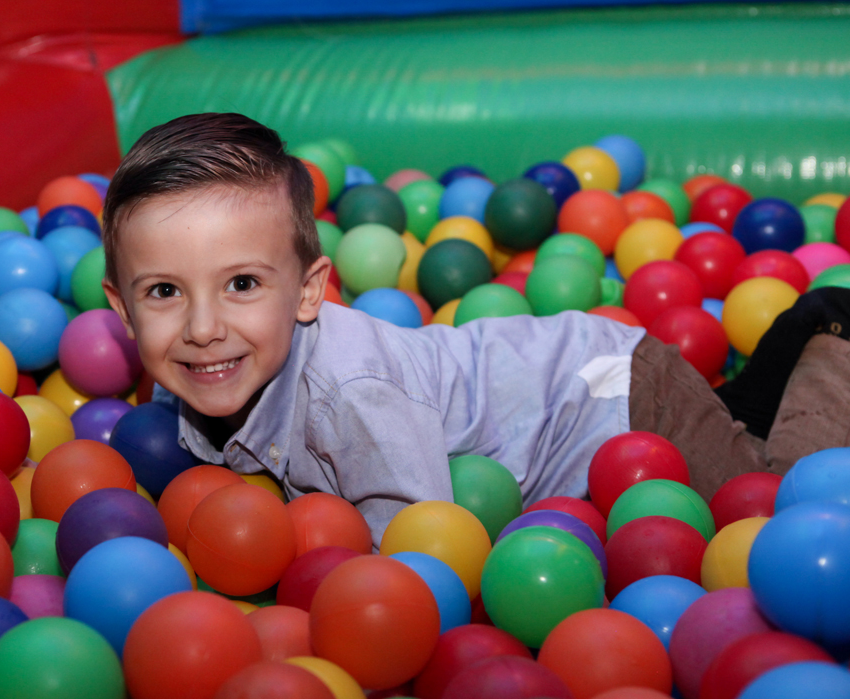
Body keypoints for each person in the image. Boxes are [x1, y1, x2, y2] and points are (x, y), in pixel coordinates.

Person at [100, 112, 850, 544]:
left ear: (309, 292)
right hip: (584, 388)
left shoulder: (354, 400)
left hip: (614, 398)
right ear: (120, 308)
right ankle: (744, 397)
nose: (203, 327)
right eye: (164, 291)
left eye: (241, 285)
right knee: (730, 443)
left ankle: (827, 347)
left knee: (773, 513)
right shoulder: (212, 377)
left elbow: (424, 551)